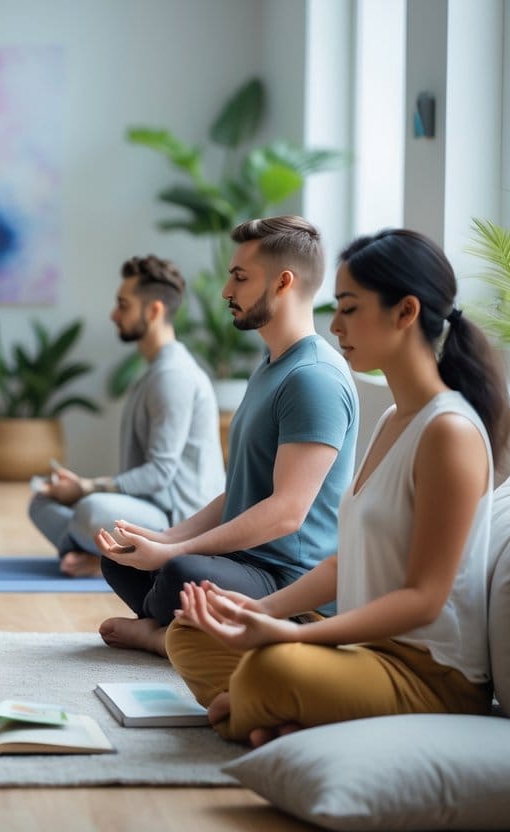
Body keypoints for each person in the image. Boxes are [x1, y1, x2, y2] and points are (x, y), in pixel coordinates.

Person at [166, 228, 510, 747]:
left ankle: (265, 708)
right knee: (190, 632)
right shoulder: (395, 418)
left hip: (427, 676)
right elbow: (344, 563)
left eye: (349, 308)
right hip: (362, 650)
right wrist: (257, 613)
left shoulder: (450, 433)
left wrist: (296, 635)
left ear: (405, 312)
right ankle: (277, 717)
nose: (335, 324)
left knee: (271, 670)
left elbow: (423, 599)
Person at [96, 216, 359, 657]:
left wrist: (172, 554)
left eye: (240, 277)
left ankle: (166, 636)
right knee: (119, 557)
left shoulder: (314, 378)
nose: (226, 291)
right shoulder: (272, 365)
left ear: (283, 283)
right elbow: (239, 492)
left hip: (286, 584)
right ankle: (191, 630)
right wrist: (163, 540)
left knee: (178, 571)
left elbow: (285, 514)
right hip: (242, 564)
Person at [28, 255, 224, 577]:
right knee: (42, 503)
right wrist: (80, 487)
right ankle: (110, 558)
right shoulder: (155, 371)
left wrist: (86, 488)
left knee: (91, 511)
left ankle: (112, 561)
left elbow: (160, 473)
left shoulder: (172, 375)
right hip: (149, 508)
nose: (113, 314)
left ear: (154, 310)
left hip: (178, 520)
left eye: (123, 305)